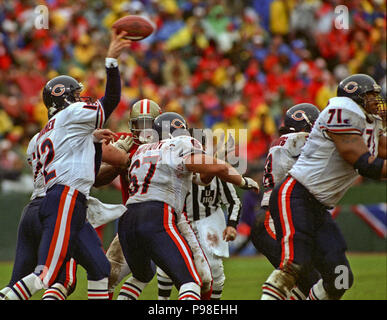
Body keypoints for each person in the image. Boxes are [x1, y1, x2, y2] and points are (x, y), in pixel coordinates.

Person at [3, 29, 132, 300]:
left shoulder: (38, 137)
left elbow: (88, 171)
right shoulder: (72, 115)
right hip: (63, 201)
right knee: (46, 276)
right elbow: (110, 102)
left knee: (99, 268)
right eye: (75, 94)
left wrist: (93, 143)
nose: (79, 98)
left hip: (37, 206)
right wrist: (112, 61)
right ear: (64, 98)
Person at [261, 74, 386, 300]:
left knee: (340, 277)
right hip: (296, 195)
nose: (376, 101)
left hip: (318, 207)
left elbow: (383, 150)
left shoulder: (369, 122)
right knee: (293, 266)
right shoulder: (342, 111)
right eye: (370, 96)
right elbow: (363, 163)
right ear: (354, 97)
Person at [116, 112, 259, 300]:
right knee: (191, 282)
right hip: (158, 214)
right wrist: (243, 182)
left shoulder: (142, 150)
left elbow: (201, 178)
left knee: (141, 276)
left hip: (127, 219)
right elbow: (221, 168)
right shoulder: (180, 144)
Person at [156, 128, 242, 300]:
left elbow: (233, 201)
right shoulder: (173, 168)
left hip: (207, 222)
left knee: (215, 271)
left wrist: (232, 225)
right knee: (166, 268)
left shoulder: (215, 170)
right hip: (179, 221)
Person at [250, 103, 322, 299]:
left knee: (307, 284)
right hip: (273, 220)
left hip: (282, 219)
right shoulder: (295, 140)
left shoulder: (285, 142)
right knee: (315, 281)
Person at [93, 98, 162, 299]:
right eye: (139, 124)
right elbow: (97, 180)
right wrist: (120, 159)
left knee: (192, 277)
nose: (144, 130)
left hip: (166, 221)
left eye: (149, 124)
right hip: (133, 221)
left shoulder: (171, 144)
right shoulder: (125, 141)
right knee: (107, 277)